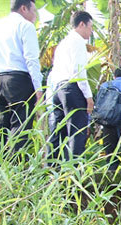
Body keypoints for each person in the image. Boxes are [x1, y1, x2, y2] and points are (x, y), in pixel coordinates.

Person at [0, 0, 43, 152]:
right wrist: (38, 88)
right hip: (19, 80)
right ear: (24, 8)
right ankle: (17, 168)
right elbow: (31, 59)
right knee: (20, 125)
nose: (35, 15)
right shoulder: (25, 26)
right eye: (34, 11)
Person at [49, 10, 94, 159]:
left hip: (58, 88)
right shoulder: (78, 41)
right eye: (90, 27)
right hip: (72, 87)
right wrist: (88, 96)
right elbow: (78, 71)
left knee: (57, 132)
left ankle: (51, 169)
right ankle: (73, 172)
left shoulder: (63, 42)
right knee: (77, 131)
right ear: (82, 24)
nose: (91, 31)